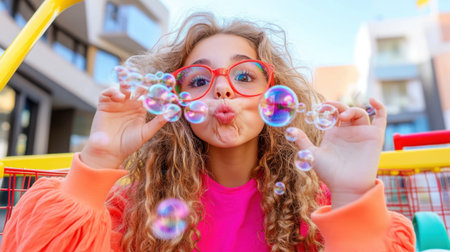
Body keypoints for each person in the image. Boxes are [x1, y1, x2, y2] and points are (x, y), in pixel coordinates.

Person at [1, 12, 415, 251]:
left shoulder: (320, 208)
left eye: (245, 75)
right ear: (178, 105)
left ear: (276, 95)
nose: (221, 86)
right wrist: (100, 158)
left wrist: (352, 194)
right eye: (198, 80)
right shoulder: (133, 207)